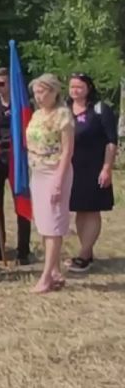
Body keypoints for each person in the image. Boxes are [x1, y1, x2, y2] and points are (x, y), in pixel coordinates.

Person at [26, 74, 74, 293]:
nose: (39, 96)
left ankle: (46, 277)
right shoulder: (36, 114)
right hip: (38, 171)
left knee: (54, 224)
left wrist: (58, 181)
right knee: (44, 224)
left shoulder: (63, 115)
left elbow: (67, 151)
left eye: (43, 91)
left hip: (56, 172)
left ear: (54, 92)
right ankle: (54, 270)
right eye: (36, 92)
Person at [66, 73, 117, 273]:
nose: (75, 90)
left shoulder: (100, 109)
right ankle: (87, 251)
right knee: (80, 210)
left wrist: (107, 168)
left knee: (92, 210)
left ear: (88, 88)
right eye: (72, 87)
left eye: (79, 87)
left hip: (95, 168)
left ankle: (84, 255)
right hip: (73, 169)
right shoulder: (64, 110)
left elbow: (111, 141)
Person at [0, 67, 32, 265]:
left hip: (16, 157)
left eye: (1, 83)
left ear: (10, 84)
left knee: (21, 202)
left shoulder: (22, 105)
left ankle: (23, 250)